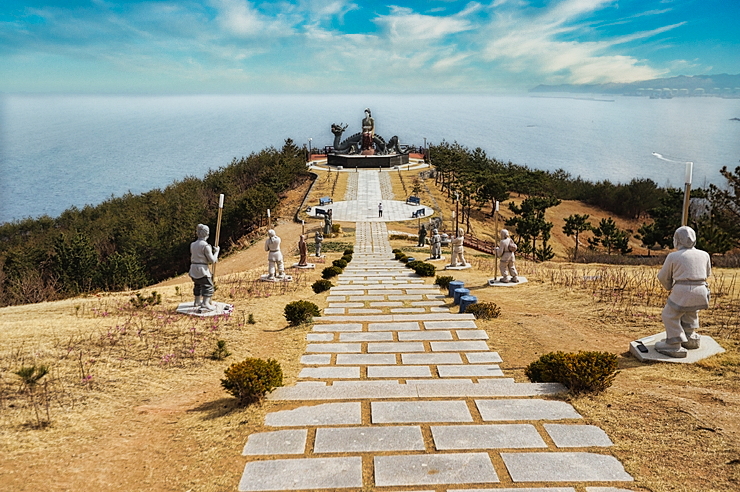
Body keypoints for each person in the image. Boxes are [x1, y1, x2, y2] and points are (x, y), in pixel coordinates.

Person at [654, 226, 712, 358]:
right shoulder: (705, 255)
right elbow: (707, 273)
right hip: (702, 290)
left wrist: (669, 286)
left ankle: (674, 344)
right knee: (691, 311)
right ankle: (690, 337)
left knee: (670, 315)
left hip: (683, 290)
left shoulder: (673, 256)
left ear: (677, 240)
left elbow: (663, 276)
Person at [189, 224, 220, 311]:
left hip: (193, 268)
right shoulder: (206, 246)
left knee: (197, 284)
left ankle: (197, 301)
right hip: (202, 269)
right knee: (208, 286)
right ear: (206, 234)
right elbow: (212, 260)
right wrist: (217, 252)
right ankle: (205, 303)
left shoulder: (192, 244)